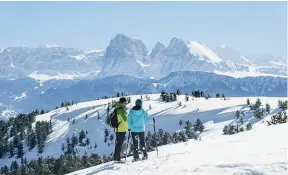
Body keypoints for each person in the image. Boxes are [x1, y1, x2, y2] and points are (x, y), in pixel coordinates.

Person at [113, 97, 128, 162]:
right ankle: (117, 159)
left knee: (118, 144)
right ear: (122, 103)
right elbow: (124, 120)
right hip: (121, 129)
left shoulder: (118, 108)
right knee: (119, 144)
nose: (126, 104)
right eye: (125, 102)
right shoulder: (121, 110)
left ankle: (116, 158)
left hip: (118, 129)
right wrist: (129, 126)